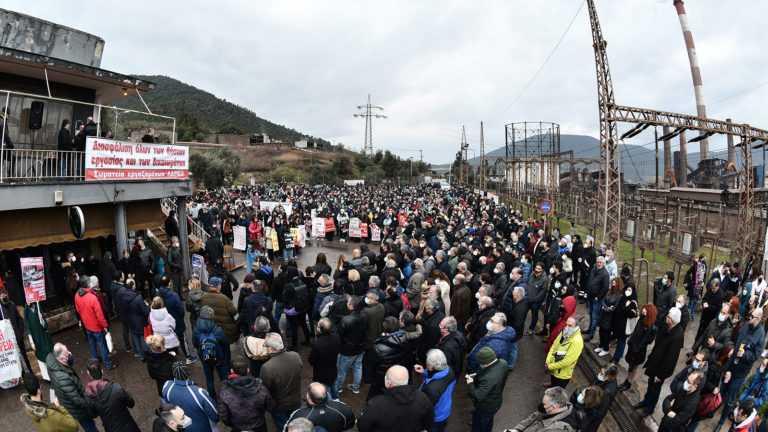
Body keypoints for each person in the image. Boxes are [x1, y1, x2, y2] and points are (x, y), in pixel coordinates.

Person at [714, 309, 766, 432]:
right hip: (731, 367)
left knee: (730, 400)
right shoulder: (746, 326)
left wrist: (745, 355)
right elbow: (736, 339)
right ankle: (713, 410)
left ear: (758, 319)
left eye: (752, 316)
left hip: (740, 373)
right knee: (721, 391)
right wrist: (732, 349)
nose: (749, 317)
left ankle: (720, 423)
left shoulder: (761, 336)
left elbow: (755, 356)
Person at [636, 307, 685, 419]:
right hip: (655, 364)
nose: (666, 317)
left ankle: (650, 407)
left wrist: (660, 375)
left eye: (668, 316)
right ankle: (646, 401)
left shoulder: (677, 337)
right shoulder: (668, 327)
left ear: (672, 320)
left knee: (655, 389)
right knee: (650, 384)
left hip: (660, 370)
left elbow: (670, 360)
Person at [358, 365, 434, 432]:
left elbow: (363, 426)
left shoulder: (375, 404)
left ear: (388, 384)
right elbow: (429, 419)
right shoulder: (422, 398)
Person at [46, 343, 98, 432]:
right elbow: (77, 400)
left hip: (65, 399)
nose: (70, 354)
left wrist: (69, 358)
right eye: (68, 355)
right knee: (90, 428)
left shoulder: (50, 359)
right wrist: (91, 405)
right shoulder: (64, 378)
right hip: (78, 411)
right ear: (62, 359)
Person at [218, 357, 275, 432]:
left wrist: (232, 424)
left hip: (238, 427)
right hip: (259, 426)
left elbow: (223, 415)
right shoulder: (260, 388)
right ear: (248, 370)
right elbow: (270, 406)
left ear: (232, 371)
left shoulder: (225, 392)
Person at [83, 358, 141, 432]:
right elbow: (131, 403)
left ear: (88, 373)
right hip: (129, 427)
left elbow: (94, 414)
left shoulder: (88, 397)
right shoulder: (116, 388)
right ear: (102, 371)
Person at [260, 332, 303, 432]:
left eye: (264, 345)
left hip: (279, 406)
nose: (264, 347)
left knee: (282, 427)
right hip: (295, 401)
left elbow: (265, 389)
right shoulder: (295, 356)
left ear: (271, 348)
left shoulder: (267, 367)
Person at [161, 361, 219, 432]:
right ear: (188, 373)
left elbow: (168, 407)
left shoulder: (167, 387)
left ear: (173, 374)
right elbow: (215, 414)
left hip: (181, 427)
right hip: (203, 428)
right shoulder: (199, 393)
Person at [363, 316, 409, 400]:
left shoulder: (379, 347)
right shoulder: (404, 339)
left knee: (373, 398)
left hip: (380, 379)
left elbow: (369, 364)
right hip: (395, 375)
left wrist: (369, 378)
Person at [74, 275, 115, 370]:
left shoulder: (77, 295)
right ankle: (108, 364)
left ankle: (95, 360)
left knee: (92, 343)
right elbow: (100, 315)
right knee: (102, 345)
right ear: (88, 284)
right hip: (96, 326)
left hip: (87, 325)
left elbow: (78, 310)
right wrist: (104, 325)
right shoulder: (92, 297)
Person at [193, 305, 231, 400]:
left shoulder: (196, 330)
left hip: (205, 358)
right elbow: (226, 346)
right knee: (223, 378)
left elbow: (195, 344)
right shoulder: (218, 330)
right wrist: (227, 362)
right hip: (220, 358)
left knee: (209, 379)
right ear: (212, 317)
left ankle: (212, 397)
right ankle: (226, 396)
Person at [333, 296, 368, 398]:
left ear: (351, 307)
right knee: (358, 367)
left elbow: (339, 334)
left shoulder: (346, 319)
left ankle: (338, 387)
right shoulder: (364, 315)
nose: (346, 304)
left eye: (348, 303)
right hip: (360, 347)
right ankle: (355, 386)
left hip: (347, 350)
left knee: (342, 370)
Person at [285, 382, 356, 432]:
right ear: (327, 394)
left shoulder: (299, 415)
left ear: (308, 397)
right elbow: (350, 423)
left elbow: (287, 429)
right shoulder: (341, 407)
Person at [618, 304, 658, 392]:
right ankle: (626, 381)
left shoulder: (649, 327)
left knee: (634, 367)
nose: (643, 311)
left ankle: (629, 383)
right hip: (633, 347)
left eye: (645, 311)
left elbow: (645, 341)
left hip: (638, 351)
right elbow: (635, 331)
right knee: (630, 366)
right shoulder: (641, 319)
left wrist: (637, 349)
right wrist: (631, 340)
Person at [468, 347, 509, 432]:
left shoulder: (488, 378)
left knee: (478, 427)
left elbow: (478, 396)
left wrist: (471, 383)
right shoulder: (503, 363)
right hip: (496, 401)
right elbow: (492, 373)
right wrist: (479, 375)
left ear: (485, 363)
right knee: (488, 423)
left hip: (485, 407)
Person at [415, 349, 456, 432]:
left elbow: (426, 409)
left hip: (435, 418)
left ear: (431, 367)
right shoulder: (450, 371)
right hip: (445, 412)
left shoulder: (431, 388)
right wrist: (424, 372)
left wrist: (423, 426)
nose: (426, 362)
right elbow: (436, 375)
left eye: (427, 361)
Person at [506, 387, 579, 432]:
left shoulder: (557, 429)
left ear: (553, 407)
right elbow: (533, 416)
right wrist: (518, 429)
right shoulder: (560, 404)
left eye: (544, 404)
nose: (542, 406)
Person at [544, 315, 584, 388]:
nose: (566, 327)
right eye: (566, 324)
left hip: (562, 375)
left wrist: (550, 366)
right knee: (553, 381)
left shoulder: (577, 341)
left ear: (576, 327)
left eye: (570, 326)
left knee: (556, 394)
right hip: (553, 368)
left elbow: (567, 361)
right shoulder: (564, 332)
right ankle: (552, 384)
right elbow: (554, 346)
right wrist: (548, 361)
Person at [309, 318, 341, 398]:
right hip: (333, 369)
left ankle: (330, 405)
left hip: (321, 373)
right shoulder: (336, 337)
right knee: (334, 387)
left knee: (325, 393)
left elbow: (311, 361)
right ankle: (337, 400)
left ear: (319, 329)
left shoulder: (317, 344)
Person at [200, 276, 238, 344]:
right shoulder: (224, 298)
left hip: (212, 329)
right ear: (217, 286)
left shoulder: (203, 297)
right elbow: (234, 312)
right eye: (220, 284)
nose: (220, 285)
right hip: (225, 330)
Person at [281, 267, 312, 350]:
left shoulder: (288, 286)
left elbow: (284, 299)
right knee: (304, 324)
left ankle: (294, 346)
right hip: (302, 308)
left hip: (292, 311)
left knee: (294, 328)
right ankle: (308, 341)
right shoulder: (301, 282)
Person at [1, 292, 32, 371]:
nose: (3, 296)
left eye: (3, 294)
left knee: (24, 356)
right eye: (1, 295)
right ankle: (22, 375)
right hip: (8, 340)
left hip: (18, 336)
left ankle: (30, 374)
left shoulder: (11, 304)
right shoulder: (0, 309)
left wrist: (20, 333)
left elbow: (19, 319)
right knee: (14, 359)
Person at [24, 300, 55, 381]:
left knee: (49, 352)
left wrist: (41, 319)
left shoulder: (38, 306)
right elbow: (27, 326)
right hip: (36, 338)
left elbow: (45, 325)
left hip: (44, 336)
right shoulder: (26, 308)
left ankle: (53, 373)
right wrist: (31, 342)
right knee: (41, 356)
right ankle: (47, 376)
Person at [582, 365, 617, 432]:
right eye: (600, 371)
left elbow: (599, 412)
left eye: (602, 373)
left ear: (608, 376)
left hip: (591, 416)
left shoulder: (607, 392)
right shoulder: (605, 379)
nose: (599, 374)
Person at [122, 279, 150, 361]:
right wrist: (147, 306)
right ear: (133, 286)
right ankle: (148, 356)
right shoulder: (138, 298)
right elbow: (145, 311)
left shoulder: (124, 297)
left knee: (136, 340)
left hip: (131, 321)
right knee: (145, 339)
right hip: (140, 321)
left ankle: (142, 357)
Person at [583, 256, 610, 342]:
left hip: (597, 299)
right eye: (597, 262)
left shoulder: (605, 274)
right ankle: (589, 329)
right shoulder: (593, 270)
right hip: (590, 296)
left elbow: (605, 288)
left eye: (600, 262)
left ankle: (591, 334)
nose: (598, 264)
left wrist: (598, 297)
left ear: (603, 263)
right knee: (590, 314)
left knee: (595, 317)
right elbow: (589, 281)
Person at [595, 277, 623, 357]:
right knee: (601, 332)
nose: (612, 285)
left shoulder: (620, 295)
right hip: (603, 316)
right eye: (612, 283)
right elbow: (603, 301)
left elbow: (614, 308)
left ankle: (605, 349)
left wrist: (605, 308)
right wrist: (606, 307)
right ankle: (601, 346)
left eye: (614, 283)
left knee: (606, 334)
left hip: (610, 319)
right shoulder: (609, 291)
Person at [505, 285, 528, 371]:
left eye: (513, 293)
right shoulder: (519, 303)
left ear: (517, 296)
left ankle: (510, 366)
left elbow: (518, 323)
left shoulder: (519, 309)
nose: (512, 293)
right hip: (513, 331)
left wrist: (510, 332)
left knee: (513, 350)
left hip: (514, 333)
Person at [525, 262, 549, 335]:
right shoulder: (532, 274)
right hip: (528, 299)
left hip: (536, 302)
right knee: (523, 313)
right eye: (536, 268)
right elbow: (527, 284)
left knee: (534, 316)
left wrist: (534, 299)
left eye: (538, 269)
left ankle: (531, 329)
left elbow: (542, 293)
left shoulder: (544, 279)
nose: (536, 269)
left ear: (542, 270)